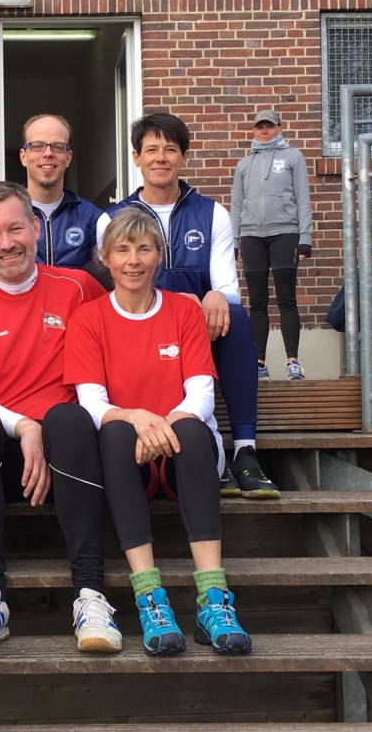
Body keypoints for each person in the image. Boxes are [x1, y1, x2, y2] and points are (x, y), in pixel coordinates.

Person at [0, 181, 118, 655]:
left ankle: (91, 596)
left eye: (15, 228)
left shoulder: (78, 288)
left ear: (35, 227)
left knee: (68, 419)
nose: (6, 243)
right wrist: (23, 425)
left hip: (69, 456)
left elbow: (106, 368)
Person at [64, 206, 252, 657]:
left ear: (159, 257)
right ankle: (150, 598)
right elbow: (91, 403)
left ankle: (213, 598)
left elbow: (201, 393)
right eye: (122, 250)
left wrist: (161, 423)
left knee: (191, 427)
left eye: (144, 249)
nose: (133, 260)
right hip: (128, 459)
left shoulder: (184, 311)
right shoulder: (88, 319)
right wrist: (137, 418)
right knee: (113, 432)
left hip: (186, 453)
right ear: (105, 257)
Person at [100, 112, 280, 500]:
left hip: (196, 328)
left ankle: (245, 451)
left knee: (235, 315)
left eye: (170, 149)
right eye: (151, 150)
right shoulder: (111, 219)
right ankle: (206, 453)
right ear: (136, 157)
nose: (160, 158)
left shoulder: (212, 213)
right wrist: (175, 302)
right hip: (139, 328)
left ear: (184, 156)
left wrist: (217, 295)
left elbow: (227, 286)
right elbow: (115, 291)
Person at [230, 109, 312, 381]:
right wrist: (234, 241)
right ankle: (258, 364)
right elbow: (236, 205)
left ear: (279, 127)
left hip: (285, 234)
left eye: (269, 126)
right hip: (251, 237)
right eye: (259, 127)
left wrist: (305, 238)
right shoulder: (243, 165)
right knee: (257, 301)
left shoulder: (293, 157)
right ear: (254, 130)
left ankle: (293, 362)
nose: (264, 131)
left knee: (286, 299)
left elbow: (303, 199)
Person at [20, 113, 108, 270]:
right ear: (23, 156)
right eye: (37, 146)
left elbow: (104, 276)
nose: (48, 153)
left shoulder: (92, 218)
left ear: (68, 158)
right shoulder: (6, 215)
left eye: (58, 147)